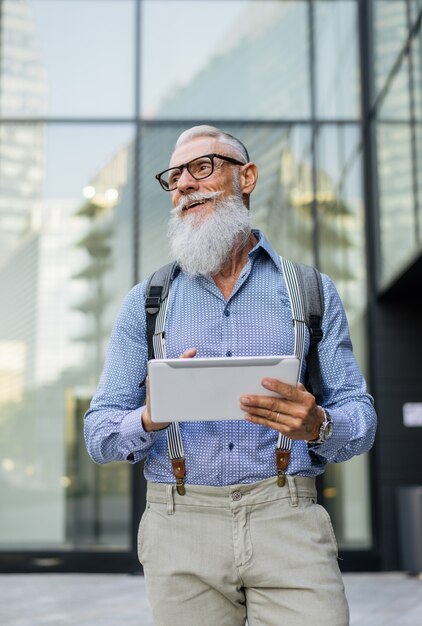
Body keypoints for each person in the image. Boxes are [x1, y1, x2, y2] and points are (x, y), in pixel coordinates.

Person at [84, 125, 377, 626]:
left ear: (247, 177)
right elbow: (99, 433)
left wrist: (319, 425)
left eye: (202, 167)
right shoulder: (147, 302)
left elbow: (361, 416)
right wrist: (151, 417)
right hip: (180, 525)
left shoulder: (311, 290)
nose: (184, 184)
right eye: (174, 176)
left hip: (287, 517)